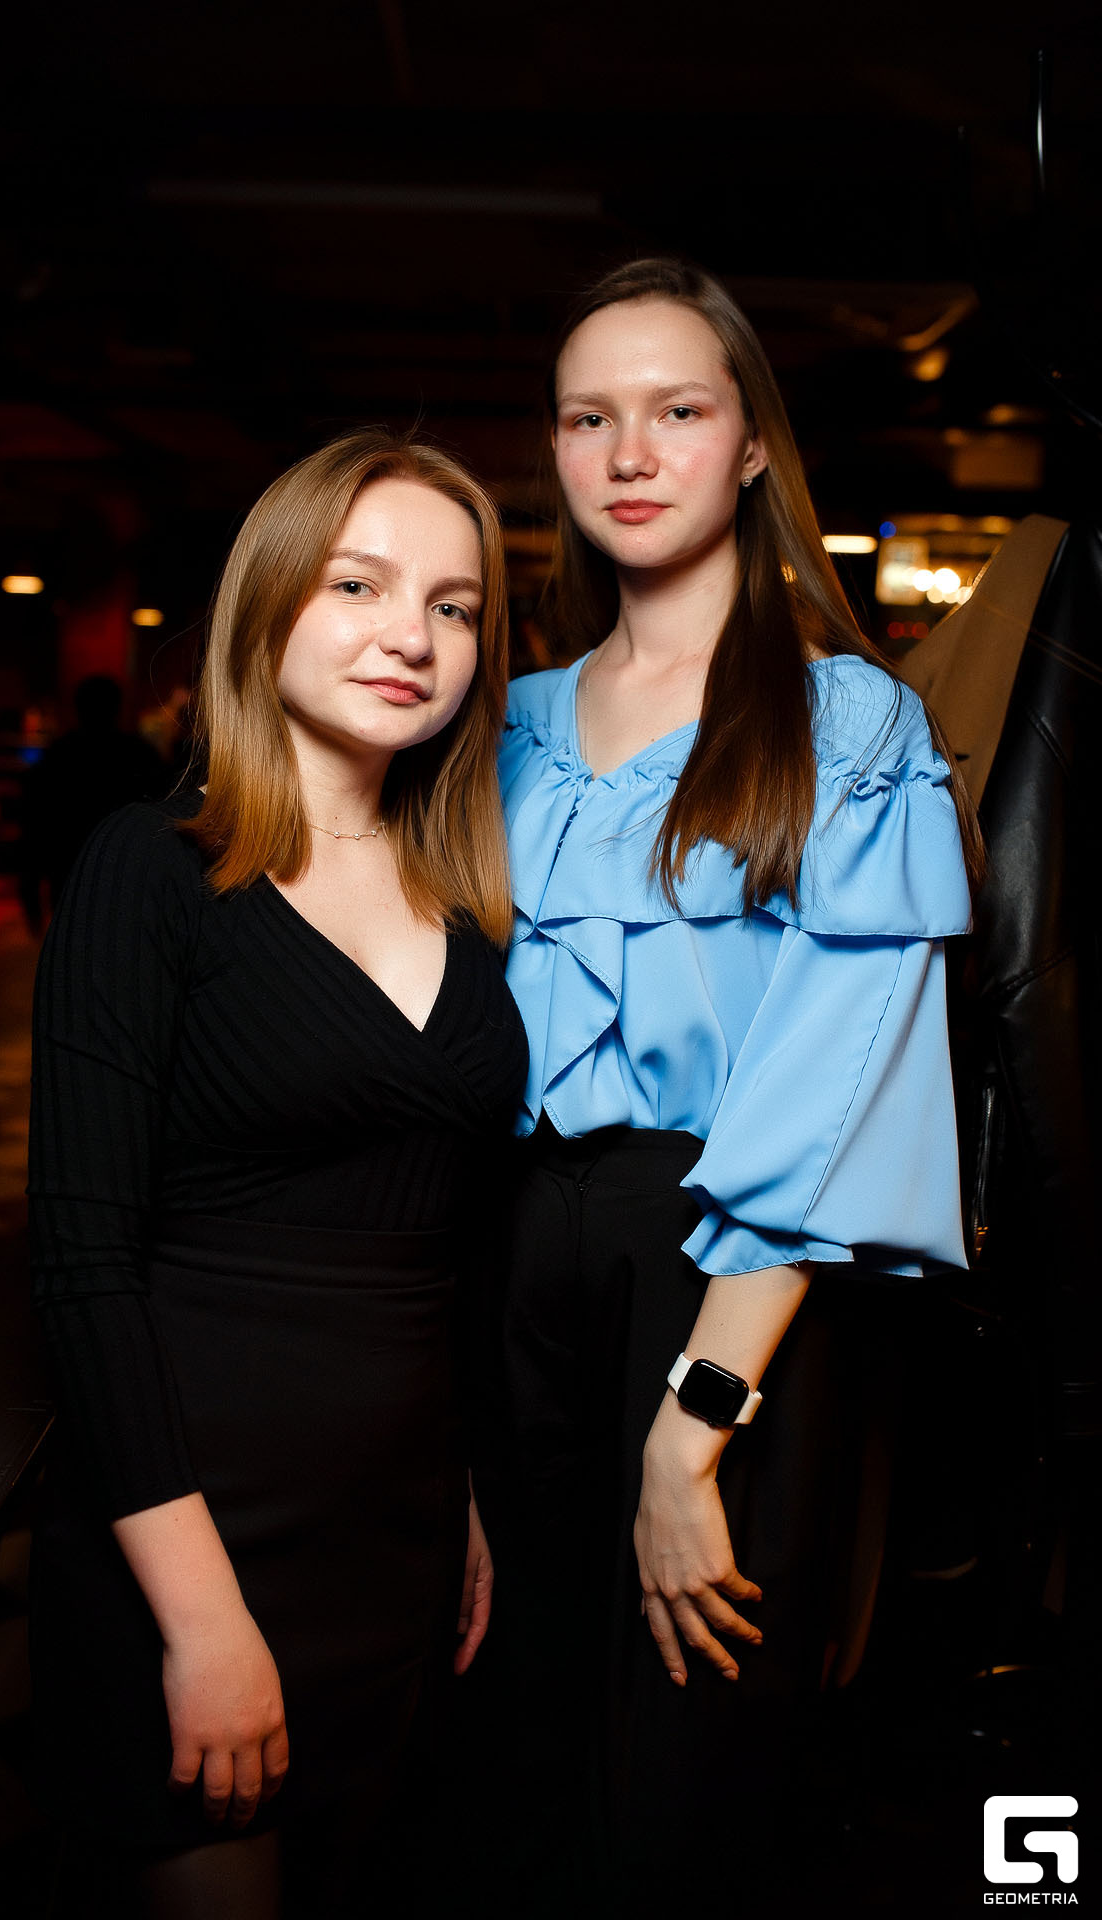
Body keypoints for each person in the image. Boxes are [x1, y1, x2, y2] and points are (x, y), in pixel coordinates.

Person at [489, 258, 985, 1914]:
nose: (630, 453)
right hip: (511, 1276)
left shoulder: (849, 725)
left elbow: (838, 1090)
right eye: (589, 418)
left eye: (678, 411)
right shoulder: (504, 725)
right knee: (520, 1768)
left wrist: (694, 1425)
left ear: (752, 445)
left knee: (687, 1791)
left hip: (732, 1289)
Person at [27, 431, 527, 1920]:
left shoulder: (468, 901)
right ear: (267, 604)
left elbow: (444, 1246)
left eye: (451, 605)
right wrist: (201, 1623)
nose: (409, 635)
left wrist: (460, 1497)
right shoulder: (152, 868)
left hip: (396, 1538)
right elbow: (82, 1271)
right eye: (358, 584)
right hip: (193, 1536)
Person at [18, 673, 167, 932]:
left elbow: (35, 828)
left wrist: (30, 892)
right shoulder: (139, 756)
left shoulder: (58, 757)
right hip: (126, 878)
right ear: (117, 707)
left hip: (71, 874)